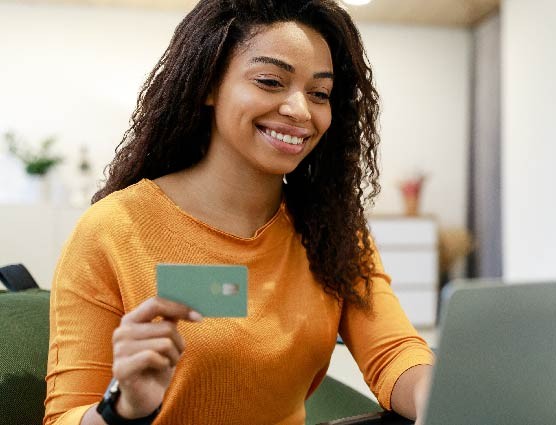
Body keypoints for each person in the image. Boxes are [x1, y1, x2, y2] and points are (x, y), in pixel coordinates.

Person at [43, 1, 434, 424]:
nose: (300, 111)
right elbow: (64, 415)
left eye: (319, 93)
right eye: (270, 81)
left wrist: (449, 399)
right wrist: (124, 408)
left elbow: (393, 352)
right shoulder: (113, 230)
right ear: (208, 84)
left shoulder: (332, 230)